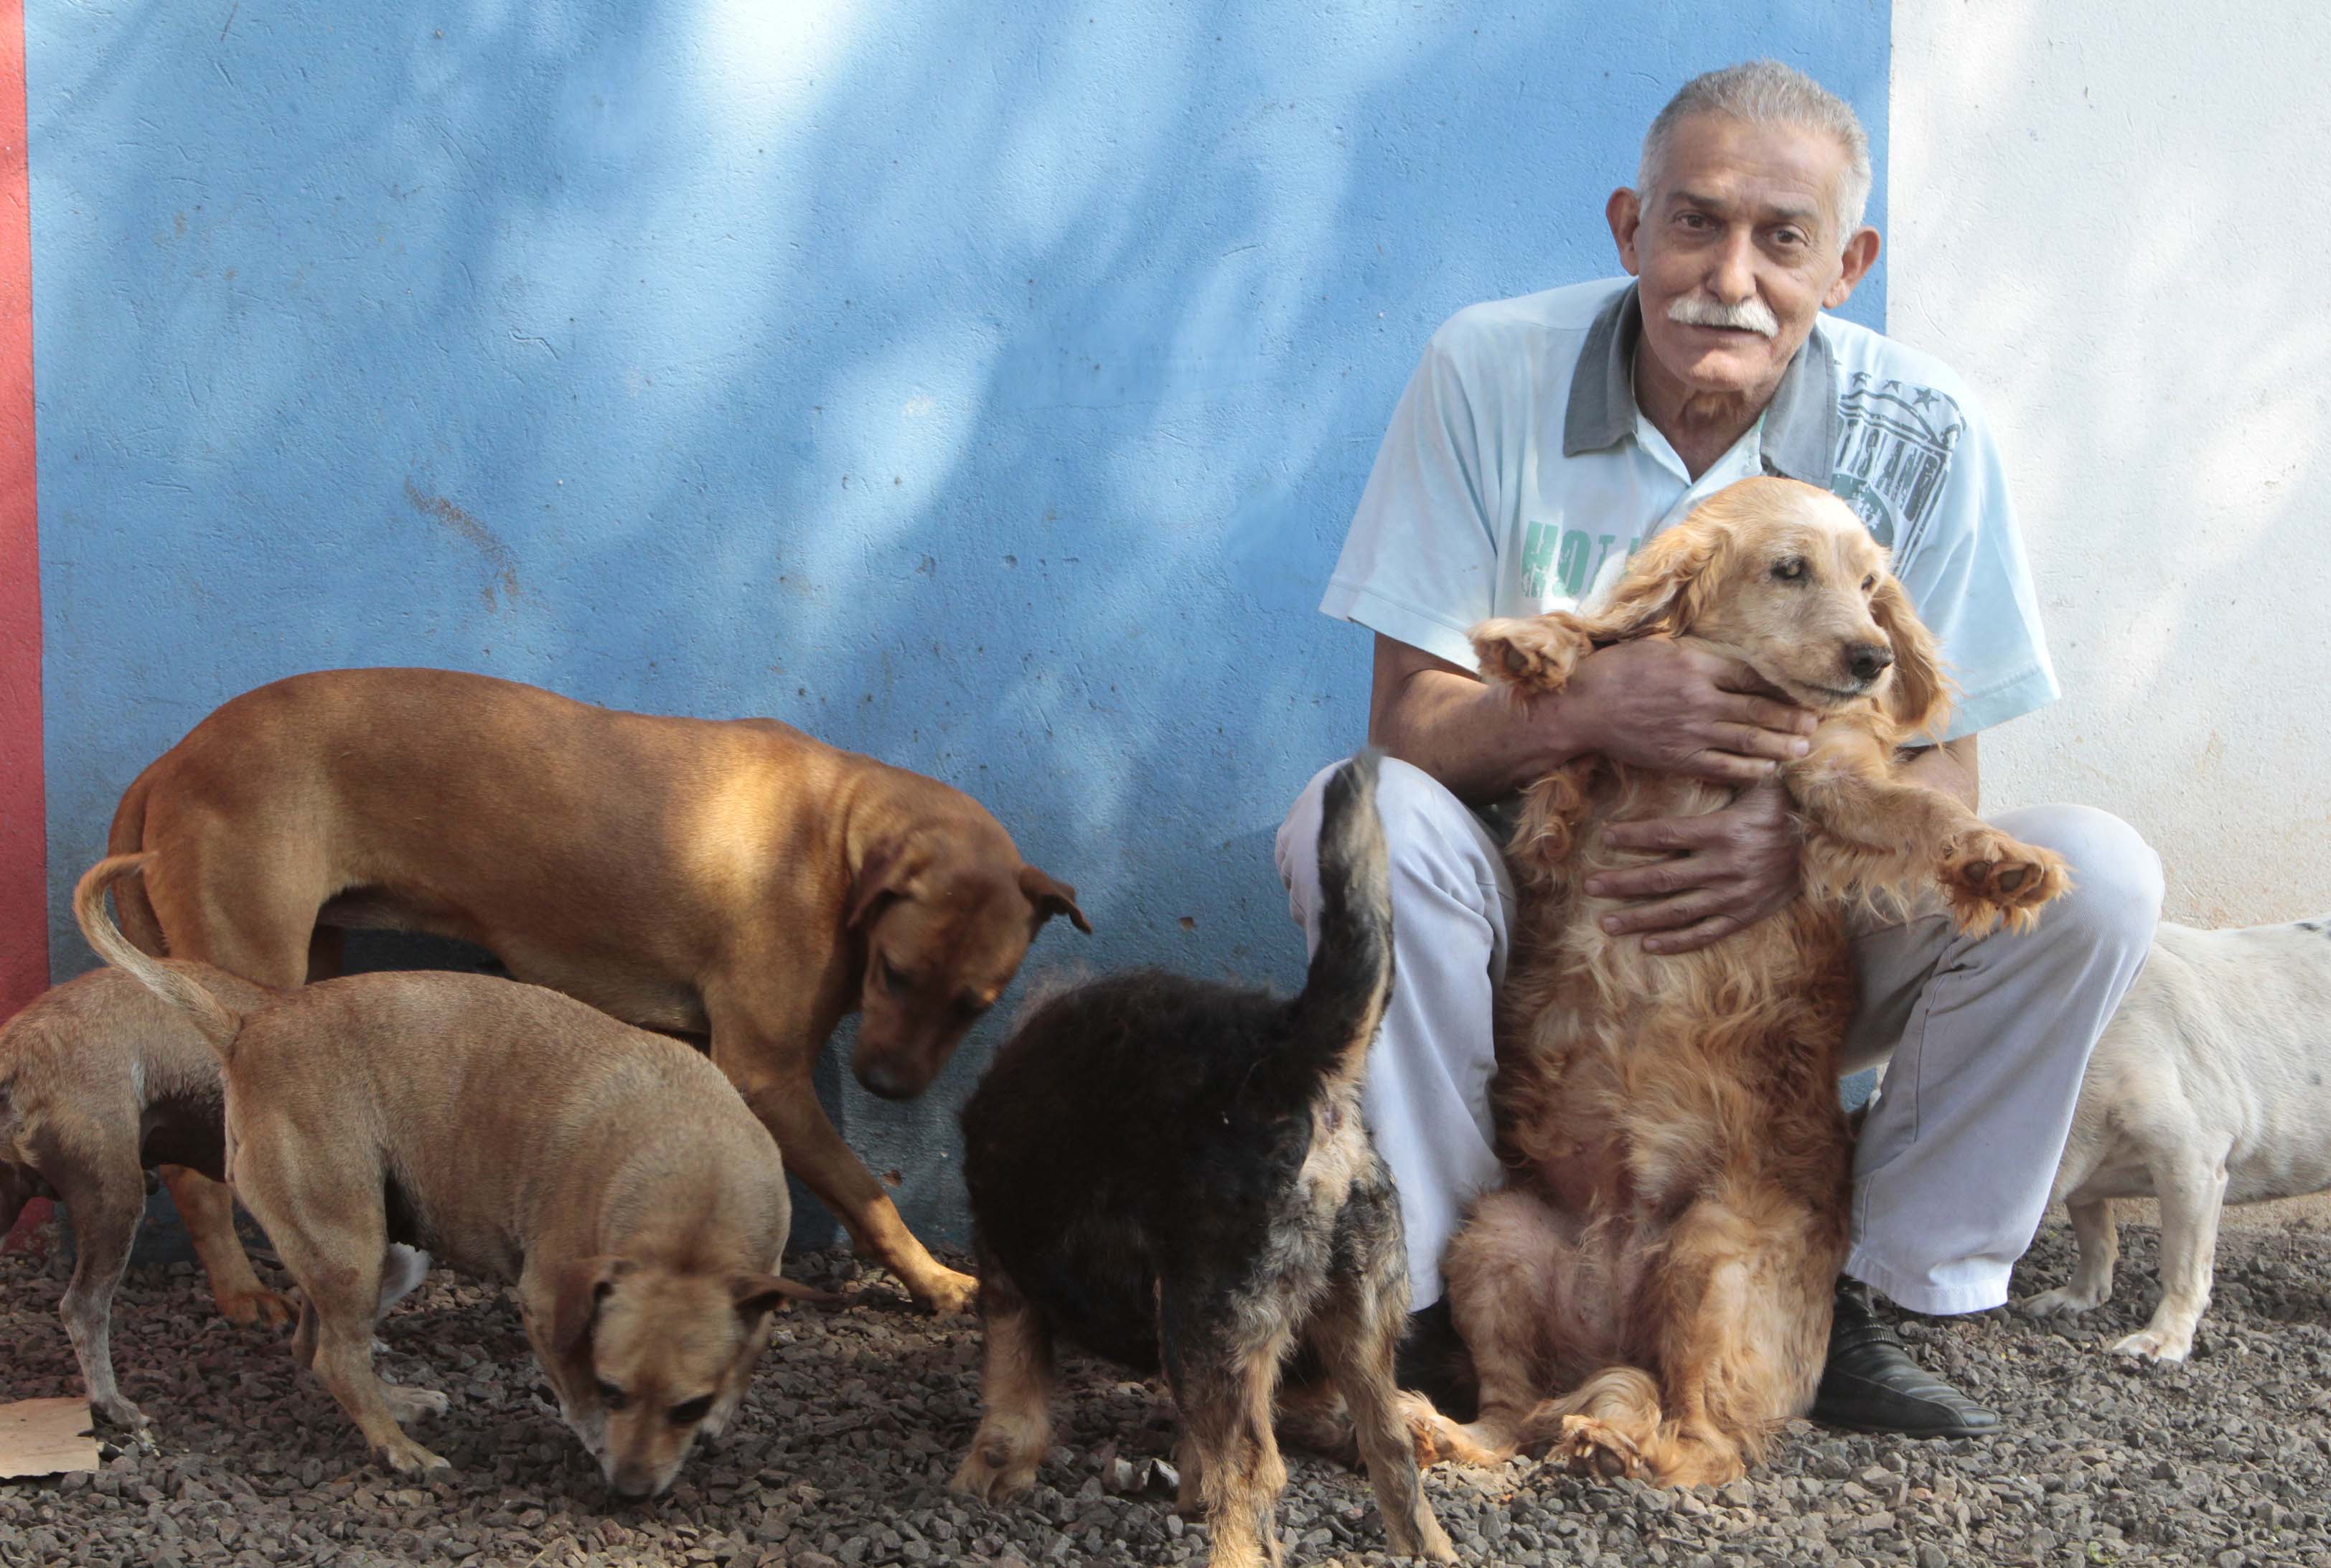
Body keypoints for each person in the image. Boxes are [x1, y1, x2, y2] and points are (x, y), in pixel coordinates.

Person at [1274, 59, 2162, 1437]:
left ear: (1850, 262)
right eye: (1694, 224)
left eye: (1782, 238)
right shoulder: (1486, 370)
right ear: (1630, 227)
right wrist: (1593, 707)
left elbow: (1948, 775)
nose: (1728, 275)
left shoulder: (1928, 433)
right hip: (1552, 918)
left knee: (2095, 877)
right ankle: (1448, 1292)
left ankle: (1866, 1287)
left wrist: (1794, 836)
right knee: (1353, 809)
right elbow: (1410, 722)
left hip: (1789, 944)